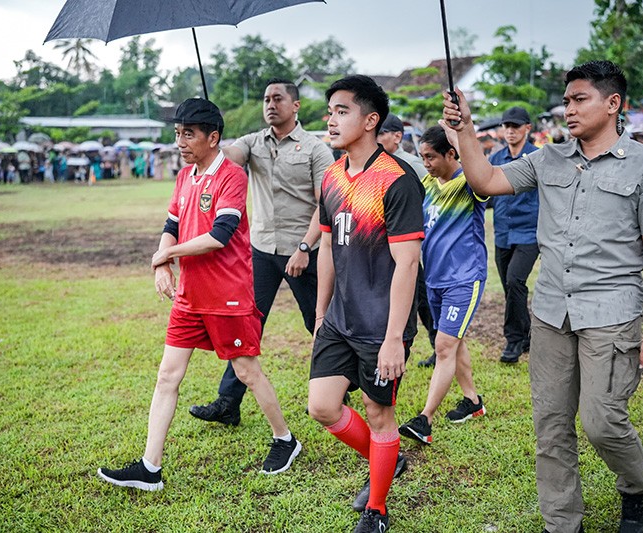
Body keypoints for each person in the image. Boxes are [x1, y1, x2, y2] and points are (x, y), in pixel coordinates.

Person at [443, 60, 643, 533]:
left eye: (579, 99)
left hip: (611, 310)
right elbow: (485, 180)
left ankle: (637, 487)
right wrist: (465, 129)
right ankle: (562, 524)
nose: (567, 109)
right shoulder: (548, 158)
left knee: (601, 422)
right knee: (550, 426)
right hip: (551, 310)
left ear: (613, 104)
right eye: (566, 100)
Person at [97, 98, 301, 491]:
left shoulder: (232, 176)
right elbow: (171, 222)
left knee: (247, 371)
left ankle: (285, 439)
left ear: (214, 137)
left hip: (228, 295)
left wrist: (168, 254)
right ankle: (150, 468)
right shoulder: (185, 176)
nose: (181, 142)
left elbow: (219, 237)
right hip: (190, 297)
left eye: (188, 134)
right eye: (177, 134)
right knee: (167, 375)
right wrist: (162, 263)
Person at [307, 75, 424, 533]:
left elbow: (407, 264)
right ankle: (386, 460)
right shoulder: (332, 176)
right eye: (330, 111)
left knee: (380, 414)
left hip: (381, 327)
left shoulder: (397, 180)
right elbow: (328, 249)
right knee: (322, 406)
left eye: (342, 111)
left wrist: (395, 338)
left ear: (371, 120)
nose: (331, 119)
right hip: (339, 318)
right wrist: (320, 314)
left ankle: (377, 509)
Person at [189, 78, 335, 426]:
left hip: (305, 252)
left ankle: (336, 383)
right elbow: (222, 160)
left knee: (319, 322)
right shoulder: (252, 143)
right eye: (266, 98)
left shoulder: (316, 149)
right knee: (247, 322)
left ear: (295, 105)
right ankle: (228, 402)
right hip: (260, 251)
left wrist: (303, 247)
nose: (270, 104)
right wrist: (210, 133)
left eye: (278, 98)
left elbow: (326, 204)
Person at [398, 125, 487, 446]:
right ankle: (473, 401)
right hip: (434, 279)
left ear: (451, 154)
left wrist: (459, 133)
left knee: (444, 346)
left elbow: (481, 172)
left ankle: (425, 420)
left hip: (464, 279)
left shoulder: (470, 183)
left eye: (431, 157)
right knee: (455, 342)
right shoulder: (427, 184)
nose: (427, 163)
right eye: (422, 157)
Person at [377, 113, 438, 368]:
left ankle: (439, 347)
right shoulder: (373, 164)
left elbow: (434, 197)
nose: (377, 138)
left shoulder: (414, 164)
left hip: (413, 243)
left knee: (423, 300)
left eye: (381, 133)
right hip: (384, 246)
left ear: (397, 136)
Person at [489, 107, 540, 363]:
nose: (510, 131)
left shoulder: (538, 158)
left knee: (514, 281)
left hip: (529, 232)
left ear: (527, 128)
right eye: (506, 126)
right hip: (502, 232)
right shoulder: (496, 158)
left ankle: (513, 341)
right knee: (512, 290)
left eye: (516, 126)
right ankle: (527, 333)